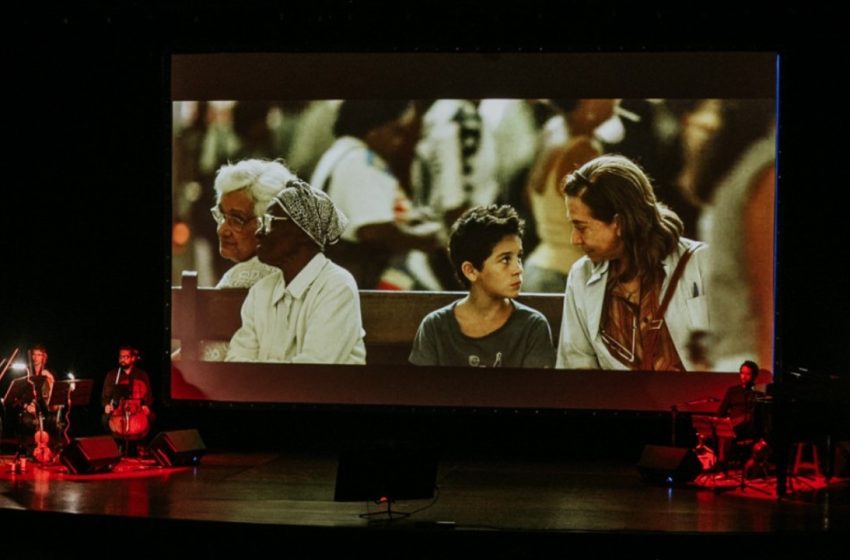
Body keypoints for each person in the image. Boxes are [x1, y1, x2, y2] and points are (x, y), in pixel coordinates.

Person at [556, 155, 709, 371]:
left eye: (582, 227)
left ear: (619, 223)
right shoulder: (581, 275)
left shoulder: (699, 264)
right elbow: (576, 369)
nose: (575, 239)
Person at [226, 179, 367, 364]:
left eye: (269, 222)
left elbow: (311, 370)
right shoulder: (260, 292)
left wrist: (256, 373)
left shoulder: (337, 287)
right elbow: (236, 361)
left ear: (302, 233)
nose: (259, 232)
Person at [310, 100, 445, 290]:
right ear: (373, 129)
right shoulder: (359, 161)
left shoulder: (338, 153)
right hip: (360, 279)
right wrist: (424, 240)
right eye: (395, 132)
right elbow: (374, 231)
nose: (398, 143)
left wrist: (412, 220)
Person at [409, 205, 555, 368]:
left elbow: (535, 391)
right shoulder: (435, 327)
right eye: (505, 260)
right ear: (471, 271)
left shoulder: (532, 326)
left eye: (519, 257)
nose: (518, 268)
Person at [201, 159, 286, 360]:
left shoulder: (244, 277)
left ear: (268, 223)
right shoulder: (291, 267)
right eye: (221, 215)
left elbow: (207, 356)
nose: (223, 229)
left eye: (237, 219)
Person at [102, 346, 154, 455]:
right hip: (118, 410)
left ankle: (140, 446)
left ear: (133, 358)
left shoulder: (142, 375)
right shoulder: (112, 375)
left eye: (126, 357)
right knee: (104, 418)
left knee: (151, 416)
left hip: (136, 410)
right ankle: (117, 445)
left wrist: (146, 406)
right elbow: (105, 397)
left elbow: (148, 396)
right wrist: (107, 405)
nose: (122, 359)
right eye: (121, 357)